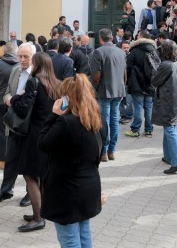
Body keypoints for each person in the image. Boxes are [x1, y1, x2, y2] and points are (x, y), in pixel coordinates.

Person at [39, 74, 107, 247]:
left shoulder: (66, 123)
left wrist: (53, 115)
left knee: (70, 240)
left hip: (66, 191)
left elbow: (43, 143)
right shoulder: (99, 121)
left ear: (67, 98)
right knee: (84, 234)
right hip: (89, 186)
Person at [9, 52, 60, 232]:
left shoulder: (34, 82)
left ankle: (38, 218)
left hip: (34, 136)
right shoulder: (56, 84)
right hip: (50, 134)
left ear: (37, 65)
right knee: (42, 176)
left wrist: (14, 98)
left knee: (30, 175)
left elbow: (23, 110)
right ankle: (41, 212)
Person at [0, 43, 36, 207]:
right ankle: (6, 190)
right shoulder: (15, 70)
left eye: (26, 57)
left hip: (30, 124)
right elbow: (8, 91)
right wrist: (8, 98)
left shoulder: (37, 74)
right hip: (14, 122)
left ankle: (31, 193)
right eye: (20, 56)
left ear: (33, 58)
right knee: (11, 158)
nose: (22, 60)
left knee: (30, 161)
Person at [91, 29, 127, 162]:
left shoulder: (98, 52)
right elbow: (124, 73)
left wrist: (93, 89)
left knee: (104, 121)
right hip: (118, 90)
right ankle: (112, 150)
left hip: (104, 90)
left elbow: (96, 76)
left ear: (100, 39)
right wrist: (123, 87)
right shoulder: (121, 52)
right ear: (112, 37)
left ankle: (104, 152)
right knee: (114, 120)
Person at [152, 40, 177, 174]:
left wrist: (155, 66)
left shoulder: (165, 65)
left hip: (167, 100)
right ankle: (168, 156)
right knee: (168, 127)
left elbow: (154, 81)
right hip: (176, 100)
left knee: (170, 130)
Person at [124, 30, 157, 139]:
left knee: (137, 107)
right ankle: (148, 130)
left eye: (138, 35)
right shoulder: (154, 50)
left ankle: (135, 129)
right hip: (150, 83)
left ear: (141, 37)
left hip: (136, 82)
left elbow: (127, 67)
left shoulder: (134, 50)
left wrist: (127, 80)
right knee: (148, 107)